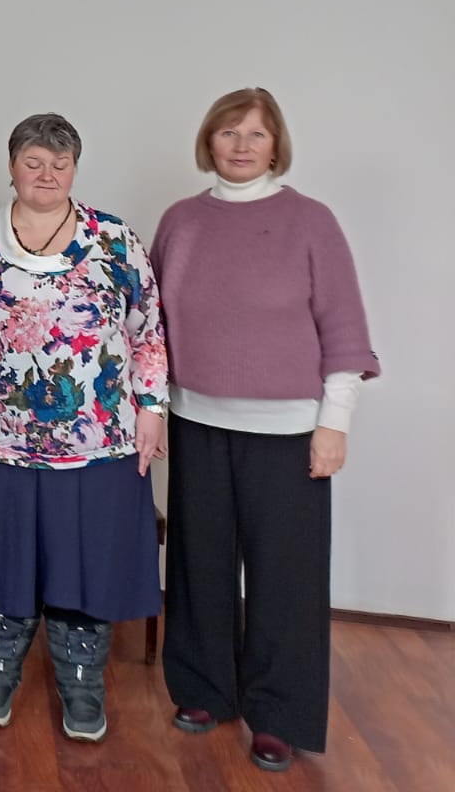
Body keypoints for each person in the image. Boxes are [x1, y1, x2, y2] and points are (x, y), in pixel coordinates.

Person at [152, 88, 378, 773]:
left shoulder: (312, 222)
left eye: (255, 133)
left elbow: (343, 327)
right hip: (197, 420)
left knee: (286, 576)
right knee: (198, 563)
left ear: (276, 144)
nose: (242, 145)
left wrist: (333, 424)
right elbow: (152, 329)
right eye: (228, 132)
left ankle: (277, 714)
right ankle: (203, 690)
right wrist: (152, 411)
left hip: (289, 430)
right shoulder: (181, 221)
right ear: (208, 142)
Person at [0, 113, 167, 743]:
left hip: (98, 445)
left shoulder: (114, 239)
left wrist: (151, 410)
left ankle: (81, 682)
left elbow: (148, 332)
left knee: (84, 565)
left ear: (75, 170)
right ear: (11, 166)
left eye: (60, 164)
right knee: (2, 561)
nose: (47, 174)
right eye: (34, 162)